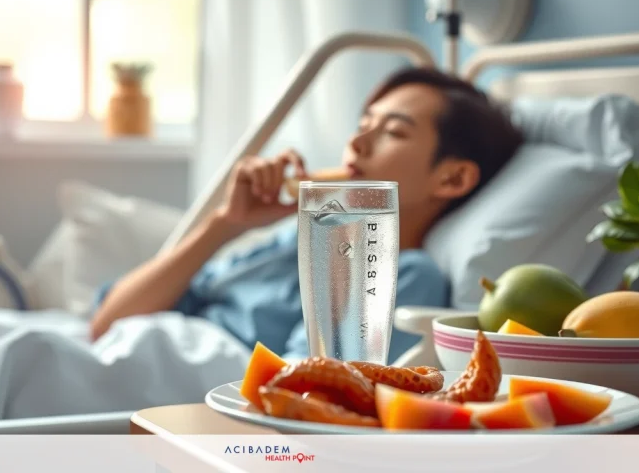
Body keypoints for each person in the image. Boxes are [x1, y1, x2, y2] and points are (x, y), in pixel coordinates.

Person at [89, 66, 524, 364]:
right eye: (363, 122)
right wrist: (225, 225)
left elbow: (306, 388)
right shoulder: (298, 236)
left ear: (452, 179)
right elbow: (107, 322)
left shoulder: (401, 273)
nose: (357, 142)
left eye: (393, 131)